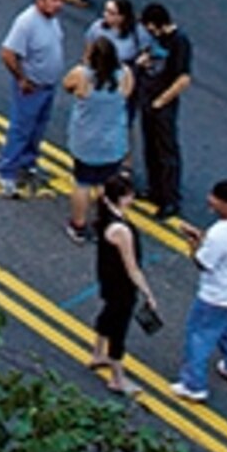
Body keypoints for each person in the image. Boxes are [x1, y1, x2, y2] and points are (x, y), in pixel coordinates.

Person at [173, 178, 227, 400]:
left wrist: (193, 244)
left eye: (215, 198)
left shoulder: (220, 233)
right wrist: (202, 237)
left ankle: (194, 385)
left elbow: (203, 263)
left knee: (199, 337)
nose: (210, 200)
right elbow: (223, 248)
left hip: (215, 297)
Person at [88, 166, 157, 399]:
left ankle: (98, 353)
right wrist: (147, 292)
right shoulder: (121, 230)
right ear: (121, 197)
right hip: (121, 286)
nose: (133, 198)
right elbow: (132, 267)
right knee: (118, 329)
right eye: (130, 194)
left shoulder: (106, 215)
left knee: (108, 314)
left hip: (107, 279)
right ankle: (117, 378)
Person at [0, 0, 67, 194]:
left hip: (48, 85)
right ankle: (7, 171)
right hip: (32, 86)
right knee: (21, 128)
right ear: (40, 1)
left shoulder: (52, 20)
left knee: (37, 128)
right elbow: (8, 53)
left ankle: (28, 163)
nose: (59, 5)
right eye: (54, 0)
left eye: (60, 0)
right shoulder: (26, 22)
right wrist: (21, 79)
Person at [60, 32, 132, 239]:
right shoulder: (125, 74)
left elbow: (67, 85)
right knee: (106, 183)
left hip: (86, 140)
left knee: (82, 182)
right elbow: (127, 94)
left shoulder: (82, 75)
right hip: (113, 141)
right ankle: (106, 221)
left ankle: (79, 225)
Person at [136, 0, 192, 219]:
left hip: (162, 104)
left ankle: (170, 199)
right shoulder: (157, 38)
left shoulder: (179, 42)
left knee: (167, 151)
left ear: (158, 24)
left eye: (150, 26)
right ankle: (154, 189)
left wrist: (161, 101)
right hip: (148, 99)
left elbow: (183, 78)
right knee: (151, 148)